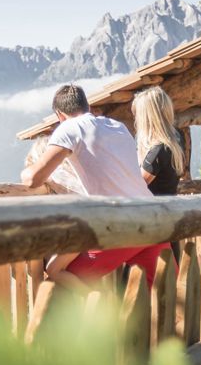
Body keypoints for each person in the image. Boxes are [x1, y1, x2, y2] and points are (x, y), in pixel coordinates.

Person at [21, 84, 171, 291]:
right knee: (161, 298)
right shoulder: (117, 126)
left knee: (56, 272)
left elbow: (32, 179)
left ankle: (93, 306)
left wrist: (27, 171)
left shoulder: (68, 128)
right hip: (153, 222)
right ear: (88, 106)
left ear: (59, 115)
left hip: (120, 227)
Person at [132, 86, 185, 196]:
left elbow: (136, 185)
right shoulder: (177, 137)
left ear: (146, 116)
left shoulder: (159, 149)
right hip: (169, 205)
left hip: (154, 209)